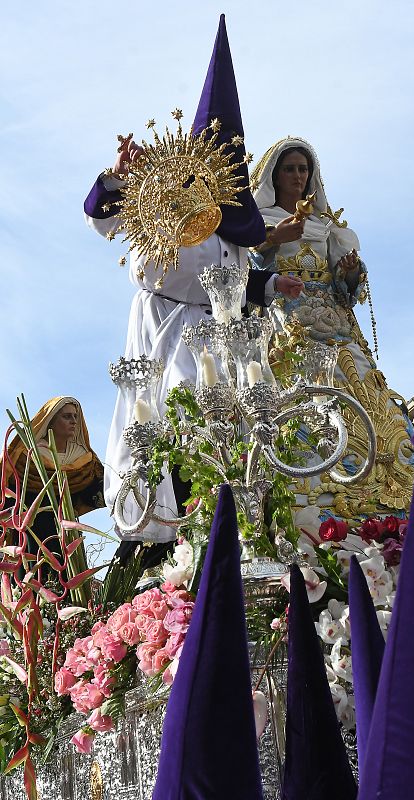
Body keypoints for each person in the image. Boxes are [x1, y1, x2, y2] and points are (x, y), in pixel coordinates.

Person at [84, 18, 302, 545]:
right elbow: (102, 217)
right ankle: (174, 537)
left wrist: (270, 288)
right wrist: (119, 178)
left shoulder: (233, 227)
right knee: (174, 425)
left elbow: (230, 281)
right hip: (168, 328)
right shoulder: (165, 198)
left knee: (237, 434)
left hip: (221, 335)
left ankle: (232, 527)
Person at [250, 137, 414, 521]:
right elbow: (247, 265)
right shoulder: (262, 220)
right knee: (295, 391)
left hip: (331, 319)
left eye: (302, 169)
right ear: (275, 174)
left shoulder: (327, 226)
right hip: (285, 317)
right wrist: (275, 238)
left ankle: (386, 475)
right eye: (289, 168)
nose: (297, 175)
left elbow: (349, 288)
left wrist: (350, 270)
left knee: (359, 382)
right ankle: (311, 485)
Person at [3, 397, 104, 571]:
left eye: (75, 416)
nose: (73, 421)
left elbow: (94, 493)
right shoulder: (29, 456)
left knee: (69, 579)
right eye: (67, 417)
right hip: (33, 532)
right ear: (51, 421)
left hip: (67, 533)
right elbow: (9, 492)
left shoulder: (84, 459)